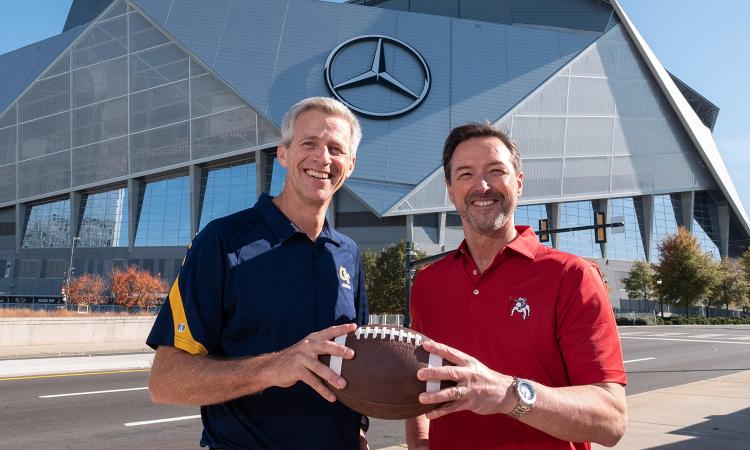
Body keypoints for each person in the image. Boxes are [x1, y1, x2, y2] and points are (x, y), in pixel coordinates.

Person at [147, 97, 370, 450]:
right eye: (308, 143)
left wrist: (358, 430)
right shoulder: (222, 242)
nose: (323, 158)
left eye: (336, 149)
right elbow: (165, 380)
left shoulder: (348, 254)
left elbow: (353, 365)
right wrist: (275, 368)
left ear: (351, 164)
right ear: (283, 154)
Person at [405, 123, 627, 450]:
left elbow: (611, 420)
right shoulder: (427, 284)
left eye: (496, 171)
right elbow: (419, 384)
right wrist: (421, 441)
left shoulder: (573, 277)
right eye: (465, 174)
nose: (482, 185)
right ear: (451, 190)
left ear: (518, 183)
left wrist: (507, 394)